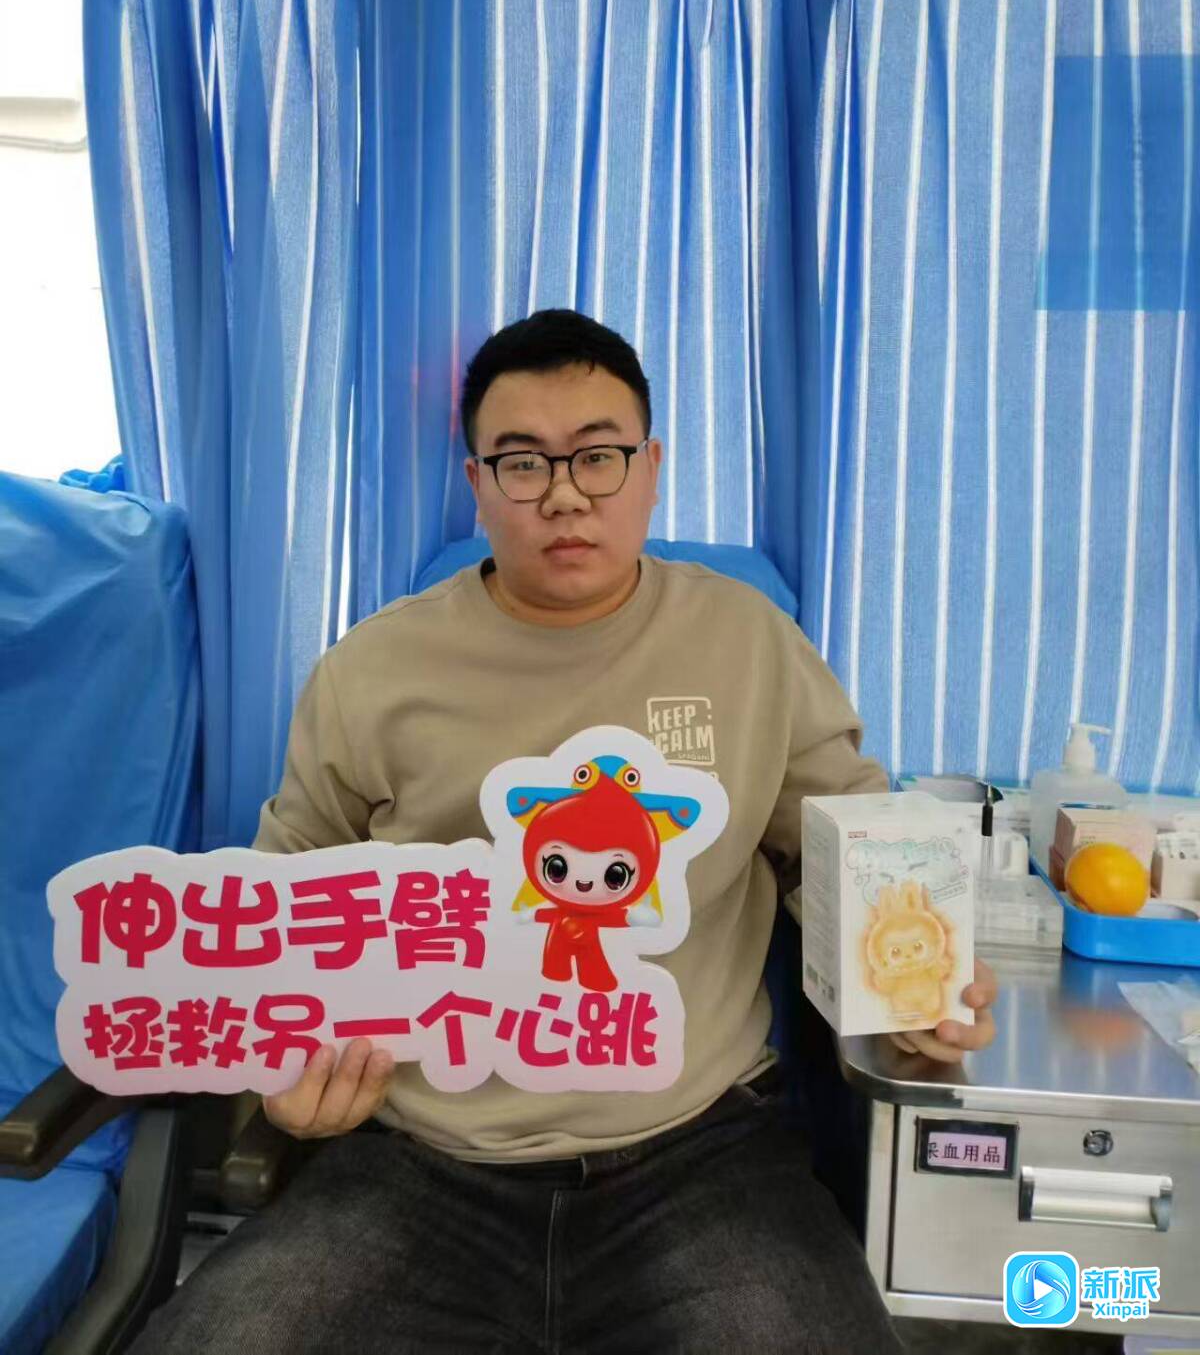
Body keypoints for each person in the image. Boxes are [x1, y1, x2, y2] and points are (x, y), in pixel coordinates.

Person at [134, 309, 996, 1353]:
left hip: (697, 1151)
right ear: (477, 482)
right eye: (523, 462)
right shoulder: (372, 671)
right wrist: (284, 1078)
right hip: (418, 1156)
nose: (565, 494)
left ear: (651, 468)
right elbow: (285, 903)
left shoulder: (749, 644)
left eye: (597, 454)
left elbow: (849, 852)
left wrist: (913, 986)